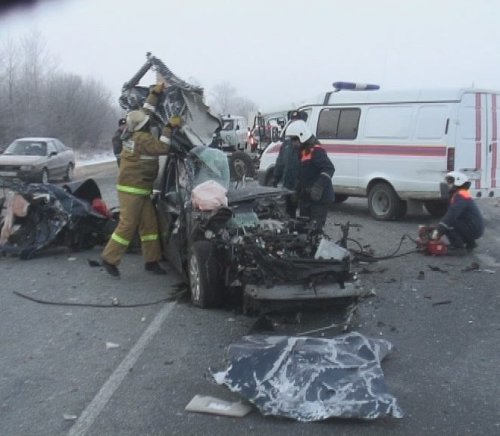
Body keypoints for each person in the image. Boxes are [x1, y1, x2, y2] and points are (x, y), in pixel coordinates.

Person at [101, 82, 182, 277]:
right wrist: (169, 127)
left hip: (140, 189)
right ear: (143, 127)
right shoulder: (142, 139)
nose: (149, 122)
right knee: (127, 225)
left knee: (150, 225)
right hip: (132, 189)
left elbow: (147, 110)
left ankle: (151, 261)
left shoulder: (133, 129)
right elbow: (163, 148)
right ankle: (109, 258)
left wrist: (156, 92)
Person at [284, 119, 335, 230]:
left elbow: (329, 168)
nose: (293, 144)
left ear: (302, 137)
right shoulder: (301, 152)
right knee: (303, 227)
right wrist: (296, 192)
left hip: (319, 200)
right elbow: (302, 175)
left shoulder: (316, 151)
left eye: (294, 140)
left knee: (314, 230)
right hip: (306, 198)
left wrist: (318, 186)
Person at [431, 171, 484, 254]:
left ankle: (458, 247)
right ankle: (471, 243)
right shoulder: (461, 194)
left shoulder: (460, 196)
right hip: (475, 227)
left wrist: (439, 230)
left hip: (474, 228)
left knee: (449, 223)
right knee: (451, 222)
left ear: (458, 182)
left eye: (449, 181)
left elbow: (451, 216)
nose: (447, 184)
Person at [270, 111, 304, 217]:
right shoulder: (287, 143)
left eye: (296, 121)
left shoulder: (305, 142)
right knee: (288, 212)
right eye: (292, 121)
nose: (294, 124)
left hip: (300, 185)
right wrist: (275, 178)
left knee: (304, 214)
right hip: (287, 183)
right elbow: (280, 162)